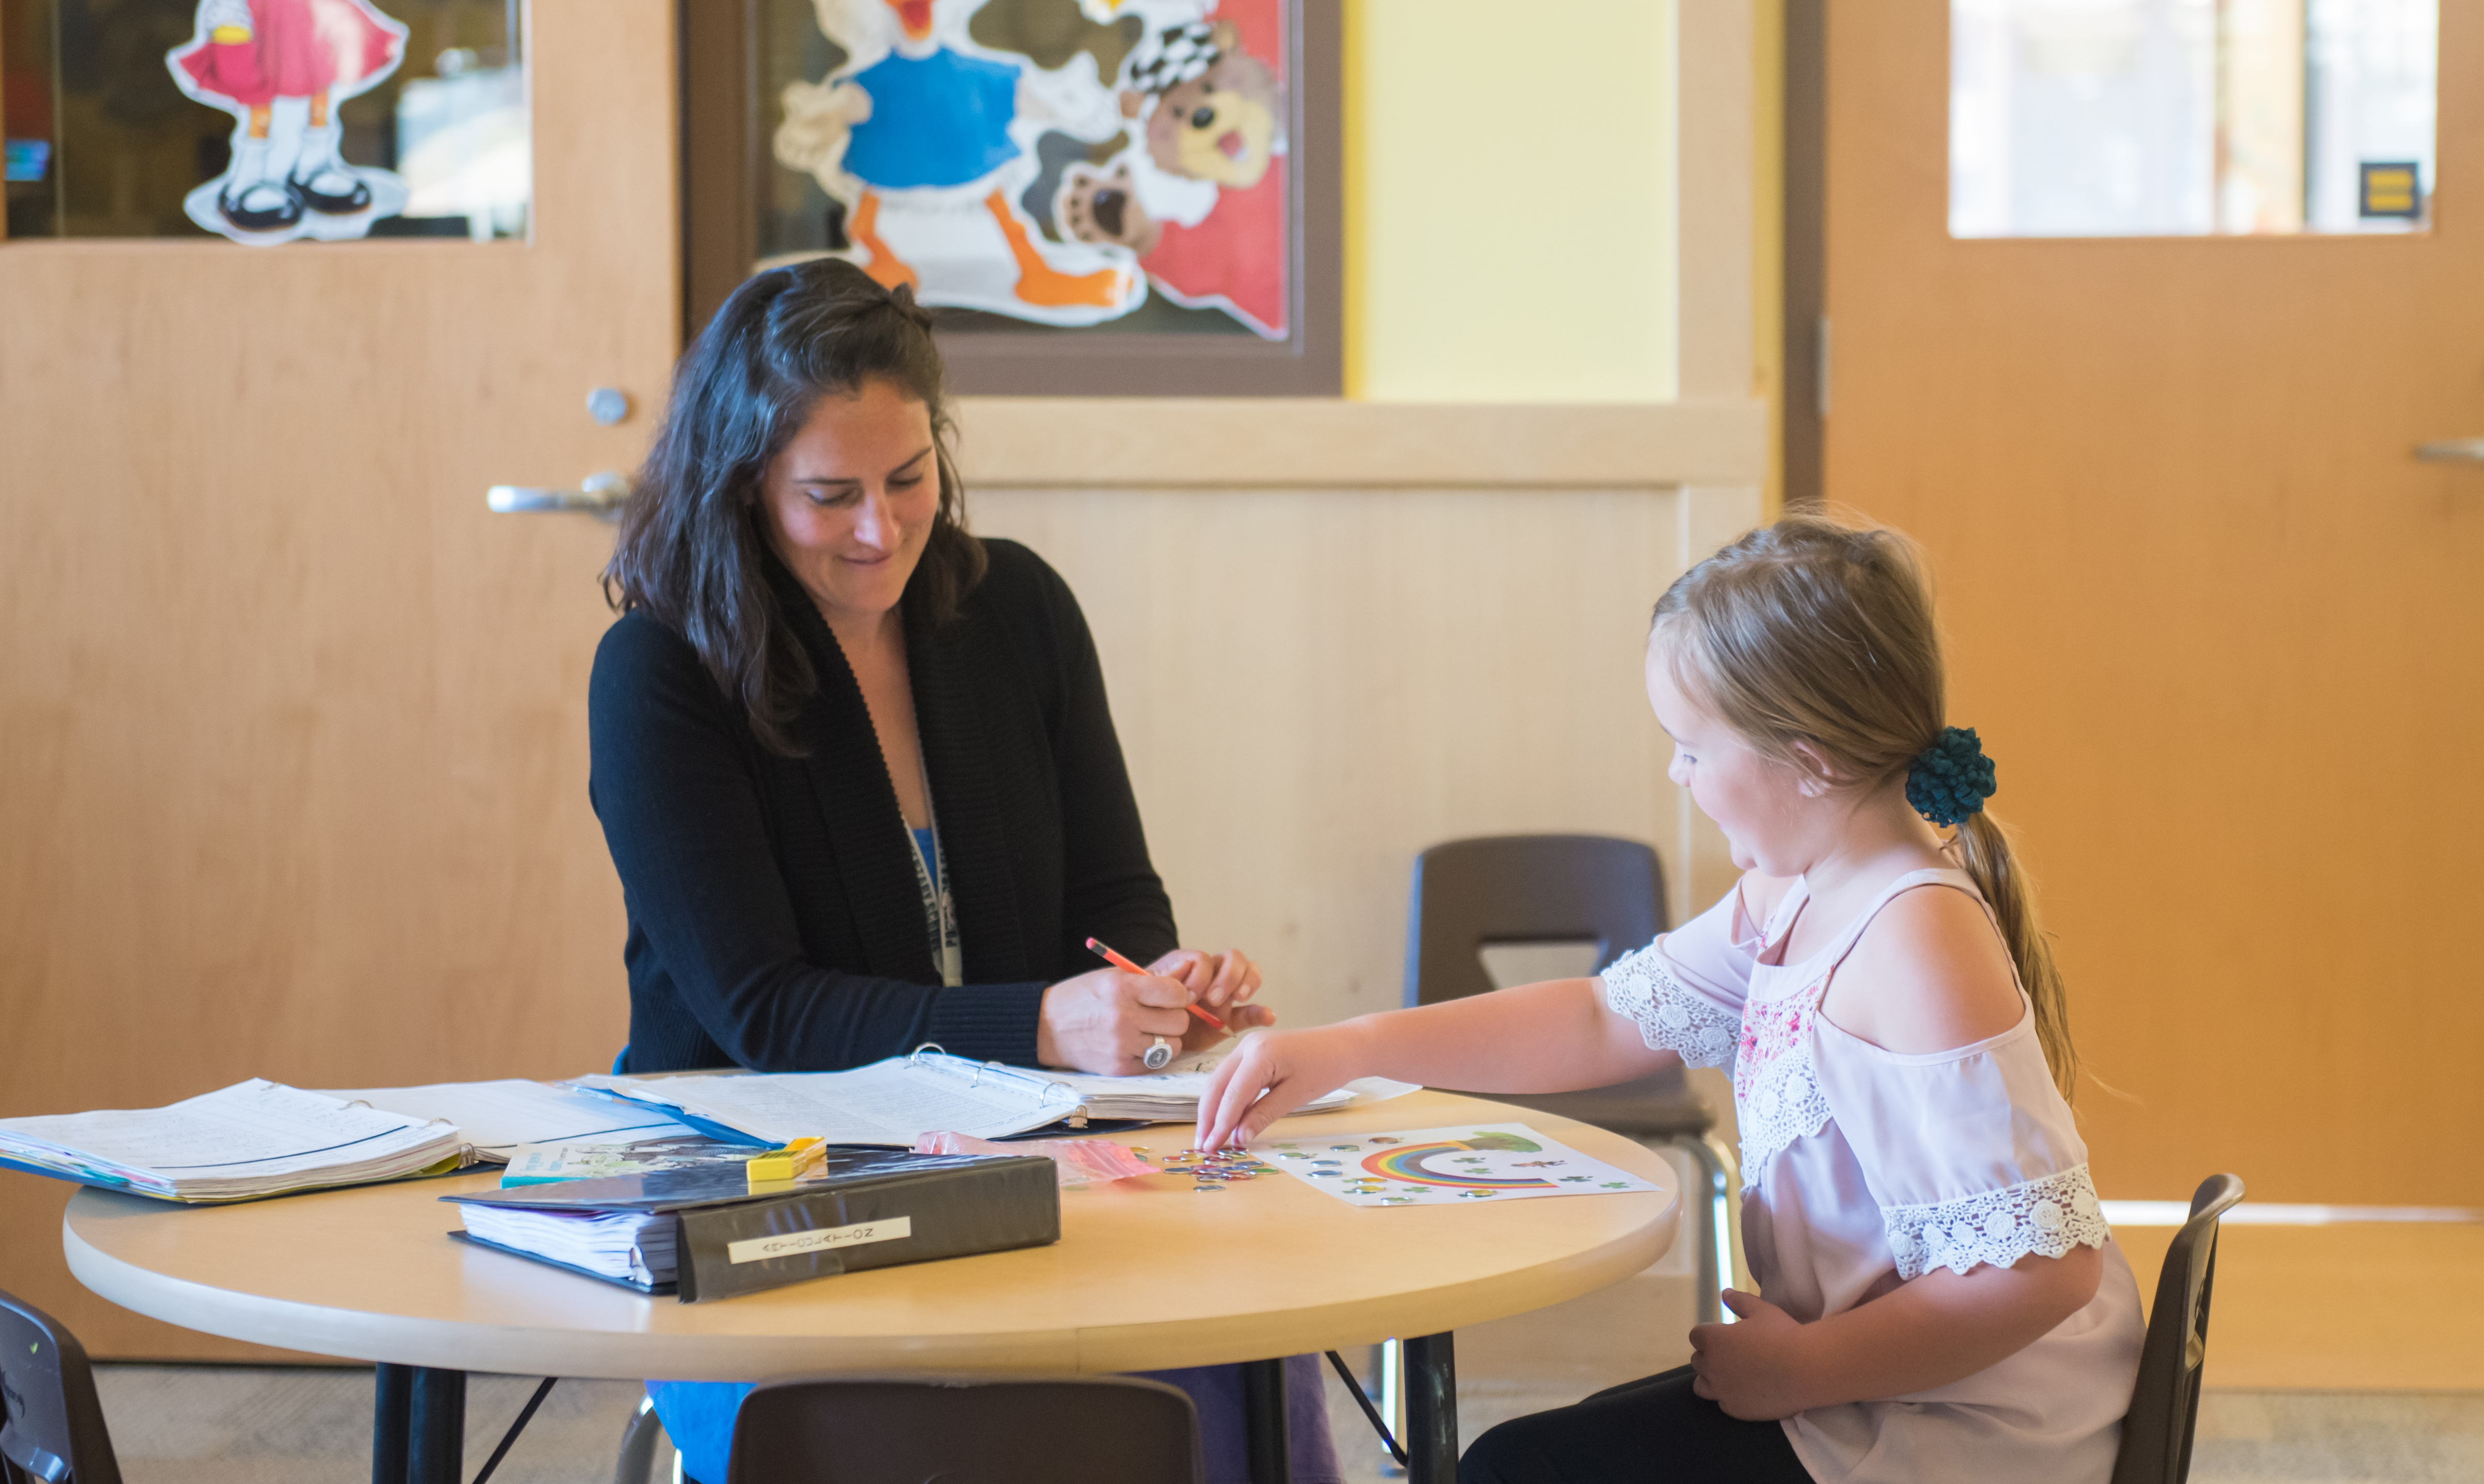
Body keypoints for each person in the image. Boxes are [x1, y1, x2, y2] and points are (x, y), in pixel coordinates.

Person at [1196, 514, 2146, 1484]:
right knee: (1527, 1453)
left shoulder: (1915, 939)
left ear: (1808, 756)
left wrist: (1803, 1367)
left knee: (1513, 1471)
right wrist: (1349, 1047)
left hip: (1973, 1426)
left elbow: (2043, 1272)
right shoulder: (1794, 893)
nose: (1675, 772)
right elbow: (1601, 1017)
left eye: (1692, 748)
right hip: (1880, 1382)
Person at [589, 257, 1338, 1484]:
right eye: (830, 495)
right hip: (760, 1169)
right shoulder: (662, 671)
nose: (881, 529)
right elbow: (764, 1013)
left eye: (908, 478)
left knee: (1236, 1350)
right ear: (742, 489)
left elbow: (1110, 890)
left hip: (1025, 1150)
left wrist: (1157, 986)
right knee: (911, 1423)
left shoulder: (1019, 608)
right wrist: (1044, 1024)